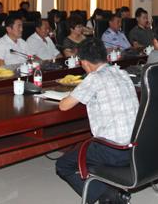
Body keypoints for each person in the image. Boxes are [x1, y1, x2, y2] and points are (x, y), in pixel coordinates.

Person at [56, 38, 138, 204]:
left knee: (63, 165)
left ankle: (108, 196)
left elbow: (64, 106)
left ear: (84, 63)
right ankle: (109, 191)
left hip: (113, 151)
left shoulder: (94, 78)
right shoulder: (121, 73)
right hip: (136, 147)